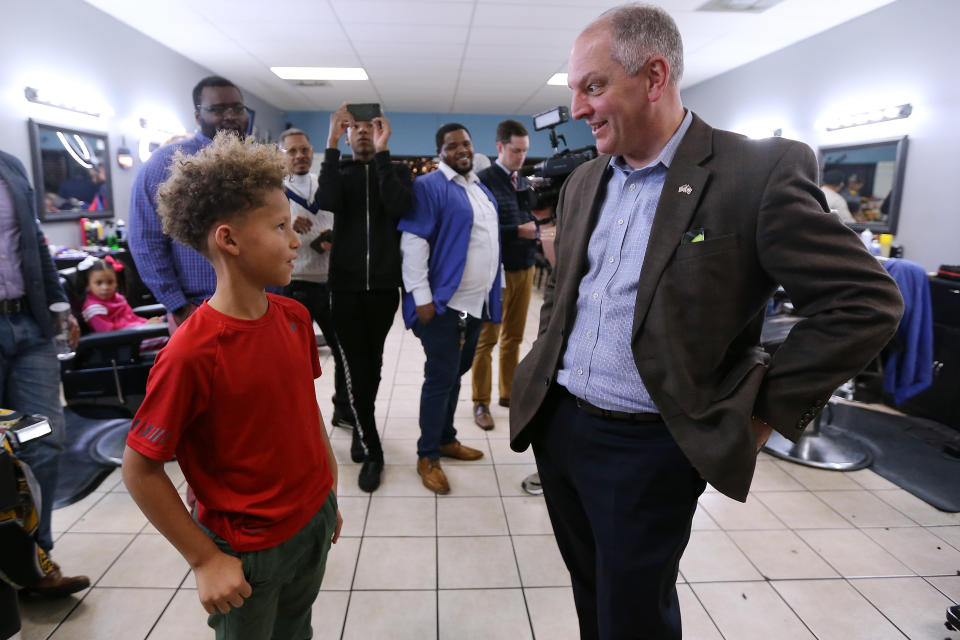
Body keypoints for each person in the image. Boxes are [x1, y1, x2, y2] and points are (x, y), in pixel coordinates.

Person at [508, 5, 905, 639]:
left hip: (650, 446)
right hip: (559, 426)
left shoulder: (756, 172)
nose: (580, 109)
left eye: (593, 86)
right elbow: (566, 294)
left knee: (635, 614)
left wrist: (760, 413)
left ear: (654, 75)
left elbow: (865, 303)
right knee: (591, 594)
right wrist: (539, 373)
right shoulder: (585, 179)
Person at [122, 132, 342, 639]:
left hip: (312, 519)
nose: (294, 240)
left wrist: (326, 486)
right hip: (247, 549)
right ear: (229, 239)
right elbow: (141, 469)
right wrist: (203, 560)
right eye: (280, 226)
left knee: (296, 631)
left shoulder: (293, 317)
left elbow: (303, 408)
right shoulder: (192, 352)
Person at [0, 149, 89, 597]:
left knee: (43, 438)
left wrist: (62, 309)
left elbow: (35, 243)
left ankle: (36, 562)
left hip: (29, 325)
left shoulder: (10, 166)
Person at [315, 103, 414, 492]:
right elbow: (327, 200)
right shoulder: (339, 172)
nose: (360, 133)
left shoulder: (398, 172)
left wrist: (385, 155)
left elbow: (399, 205)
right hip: (345, 288)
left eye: (368, 127)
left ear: (381, 132)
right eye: (352, 127)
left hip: (384, 289)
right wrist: (329, 143)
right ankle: (372, 449)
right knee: (356, 368)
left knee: (372, 364)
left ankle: (360, 424)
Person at [398, 123, 499, 494]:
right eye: (452, 144)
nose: (461, 149)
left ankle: (446, 438)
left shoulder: (478, 187)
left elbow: (488, 242)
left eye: (466, 142)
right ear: (440, 150)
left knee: (456, 373)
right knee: (440, 378)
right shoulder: (429, 187)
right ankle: (428, 454)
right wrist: (421, 298)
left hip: (475, 305)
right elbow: (413, 243)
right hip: (444, 306)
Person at [129, 75, 250, 331]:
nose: (231, 116)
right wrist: (178, 306)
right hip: (199, 307)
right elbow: (146, 241)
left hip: (260, 302)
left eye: (237, 108)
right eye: (217, 109)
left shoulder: (257, 162)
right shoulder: (165, 164)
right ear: (197, 115)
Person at [277, 127, 352, 443]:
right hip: (292, 286)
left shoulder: (327, 188)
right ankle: (295, 418)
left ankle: (344, 410)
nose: (299, 156)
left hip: (330, 282)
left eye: (304, 149)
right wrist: (285, 227)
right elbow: (261, 238)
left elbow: (342, 224)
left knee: (344, 352)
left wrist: (331, 239)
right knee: (291, 361)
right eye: (292, 151)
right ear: (281, 156)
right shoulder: (273, 194)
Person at [471, 120, 538, 430]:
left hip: (525, 267)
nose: (521, 157)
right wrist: (517, 231)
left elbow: (528, 220)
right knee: (486, 340)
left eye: (525, 151)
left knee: (514, 337)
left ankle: (508, 394)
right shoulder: (483, 181)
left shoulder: (522, 182)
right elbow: (477, 230)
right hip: (495, 272)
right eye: (516, 150)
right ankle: (480, 402)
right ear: (500, 147)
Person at [80, 258, 168, 350]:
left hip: (137, 333)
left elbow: (132, 319)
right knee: (170, 339)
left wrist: (150, 324)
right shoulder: (94, 309)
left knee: (173, 326)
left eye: (110, 282)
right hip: (125, 344)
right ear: (88, 285)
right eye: (99, 283)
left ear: (116, 282)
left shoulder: (117, 298)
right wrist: (144, 327)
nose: (105, 287)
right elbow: (110, 337)